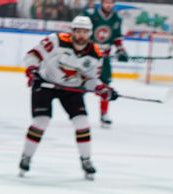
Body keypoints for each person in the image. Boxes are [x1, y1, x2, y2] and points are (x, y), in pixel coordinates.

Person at [19, 15, 115, 180]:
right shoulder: (55, 41)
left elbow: (91, 79)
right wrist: (32, 70)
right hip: (45, 83)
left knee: (82, 123)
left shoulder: (95, 53)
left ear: (90, 33)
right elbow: (32, 55)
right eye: (78, 31)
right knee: (41, 121)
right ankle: (26, 156)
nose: (81, 35)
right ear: (72, 31)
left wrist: (100, 88)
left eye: (84, 32)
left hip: (71, 89)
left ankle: (86, 160)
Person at [84, 0, 127, 127]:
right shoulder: (91, 16)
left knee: (105, 86)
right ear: (102, 3)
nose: (109, 5)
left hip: (105, 58)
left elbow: (117, 37)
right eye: (106, 2)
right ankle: (78, 112)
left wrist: (120, 49)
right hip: (89, 56)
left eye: (111, 3)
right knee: (81, 83)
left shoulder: (116, 18)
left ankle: (104, 114)